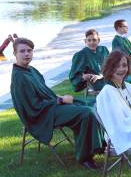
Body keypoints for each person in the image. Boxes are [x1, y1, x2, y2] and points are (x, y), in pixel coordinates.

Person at [10, 37, 105, 169]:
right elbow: (31, 107)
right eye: (22, 51)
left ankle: (97, 145)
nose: (26, 54)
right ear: (14, 53)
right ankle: (85, 157)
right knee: (86, 113)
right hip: (42, 115)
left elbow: (43, 92)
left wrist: (58, 97)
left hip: (51, 105)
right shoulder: (19, 78)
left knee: (93, 103)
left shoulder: (31, 70)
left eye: (29, 50)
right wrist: (60, 100)